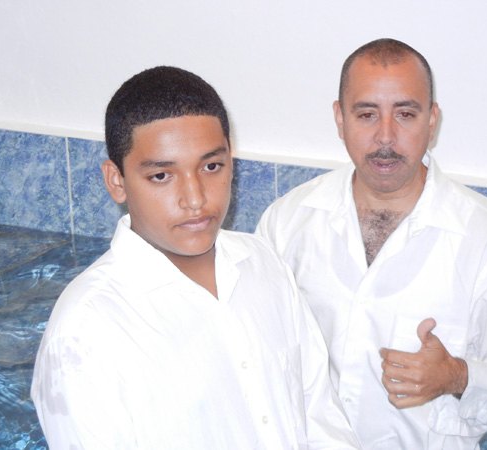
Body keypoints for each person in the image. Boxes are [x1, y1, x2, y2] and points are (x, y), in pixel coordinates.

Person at [30, 66, 359, 449]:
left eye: (211, 166)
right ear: (116, 181)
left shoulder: (262, 263)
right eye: (161, 176)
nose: (196, 198)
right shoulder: (85, 332)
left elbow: (319, 414)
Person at [256, 38, 487, 449]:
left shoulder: (485, 238)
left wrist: (459, 376)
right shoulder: (287, 223)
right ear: (340, 119)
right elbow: (252, 349)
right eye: (366, 114)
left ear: (432, 121)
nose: (386, 137)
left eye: (406, 114)